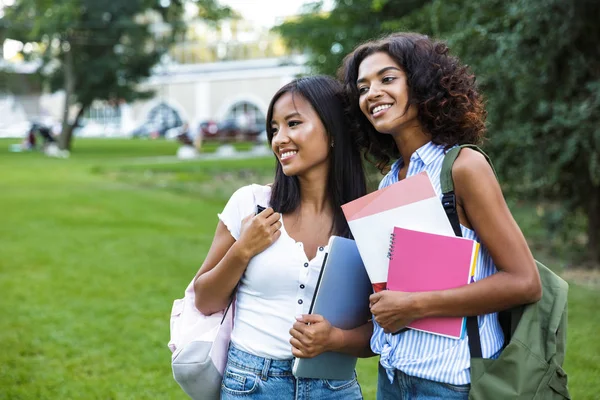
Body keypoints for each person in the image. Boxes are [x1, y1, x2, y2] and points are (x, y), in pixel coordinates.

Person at [339, 33, 543, 399]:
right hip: (393, 375)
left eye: (387, 79)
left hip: (451, 381)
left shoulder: (463, 167)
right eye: (363, 87)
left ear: (422, 83)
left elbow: (524, 281)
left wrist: (414, 305)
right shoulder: (390, 179)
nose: (372, 94)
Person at [193, 75, 372, 399]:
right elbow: (204, 300)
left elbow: (385, 329)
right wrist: (243, 250)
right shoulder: (251, 203)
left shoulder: (365, 221)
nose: (280, 139)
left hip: (334, 389)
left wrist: (336, 340)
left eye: (293, 123)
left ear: (333, 132)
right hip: (251, 385)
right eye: (274, 129)